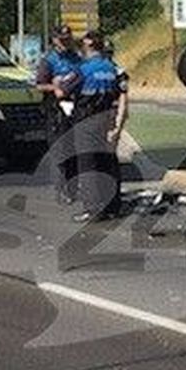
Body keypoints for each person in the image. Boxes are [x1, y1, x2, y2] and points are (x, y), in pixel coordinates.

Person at [70, 31, 129, 222]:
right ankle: (113, 205)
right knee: (108, 161)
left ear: (87, 47)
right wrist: (118, 127)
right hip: (108, 119)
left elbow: (64, 89)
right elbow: (123, 97)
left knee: (88, 163)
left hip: (86, 120)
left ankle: (93, 208)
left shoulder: (83, 68)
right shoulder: (114, 68)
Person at [33, 25, 82, 204]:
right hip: (55, 109)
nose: (65, 43)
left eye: (68, 39)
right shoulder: (49, 60)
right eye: (62, 40)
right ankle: (61, 189)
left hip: (74, 108)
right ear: (54, 40)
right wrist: (56, 87)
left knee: (75, 149)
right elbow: (39, 85)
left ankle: (73, 188)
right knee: (59, 149)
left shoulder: (76, 57)